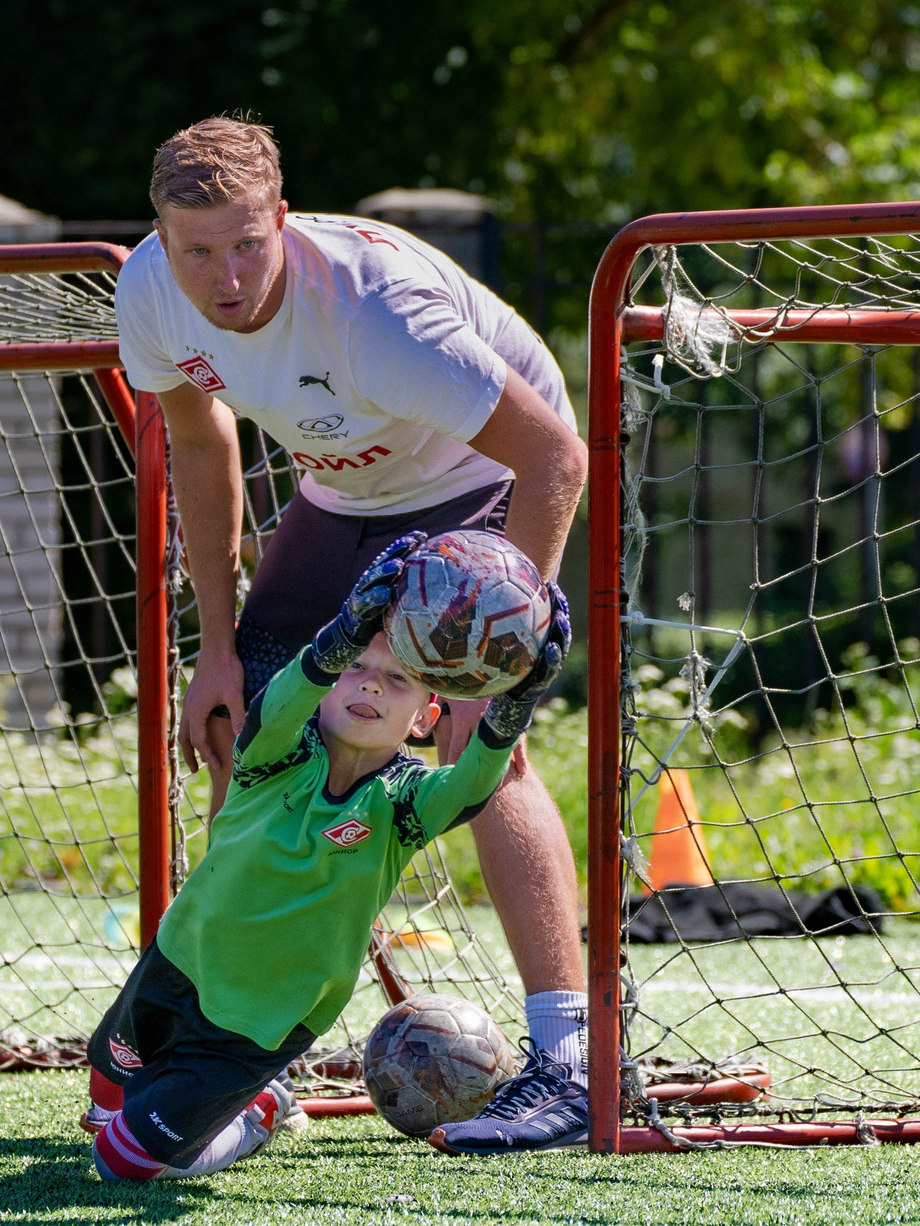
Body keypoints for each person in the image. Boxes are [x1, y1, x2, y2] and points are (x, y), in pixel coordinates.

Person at [112, 114, 594, 1155]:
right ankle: (241, 1060)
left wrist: (490, 658)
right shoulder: (150, 293)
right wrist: (218, 645)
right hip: (345, 493)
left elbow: (555, 456)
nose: (226, 274)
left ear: (280, 218)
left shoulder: (378, 317)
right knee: (248, 722)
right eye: (198, 249)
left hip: (482, 479)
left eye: (248, 242)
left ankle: (572, 1066)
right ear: (160, 237)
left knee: (482, 752)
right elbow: (199, 446)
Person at [86, 541, 569, 1182]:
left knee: (121, 1160)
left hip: (258, 1026)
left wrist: (513, 703)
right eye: (353, 668)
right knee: (105, 1105)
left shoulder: (404, 803)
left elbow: (472, 783)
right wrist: (337, 636)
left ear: (427, 717)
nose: (369, 682)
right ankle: (185, 1107)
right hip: (176, 967)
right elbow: (285, 697)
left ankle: (257, 1108)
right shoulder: (273, 753)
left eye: (396, 678)